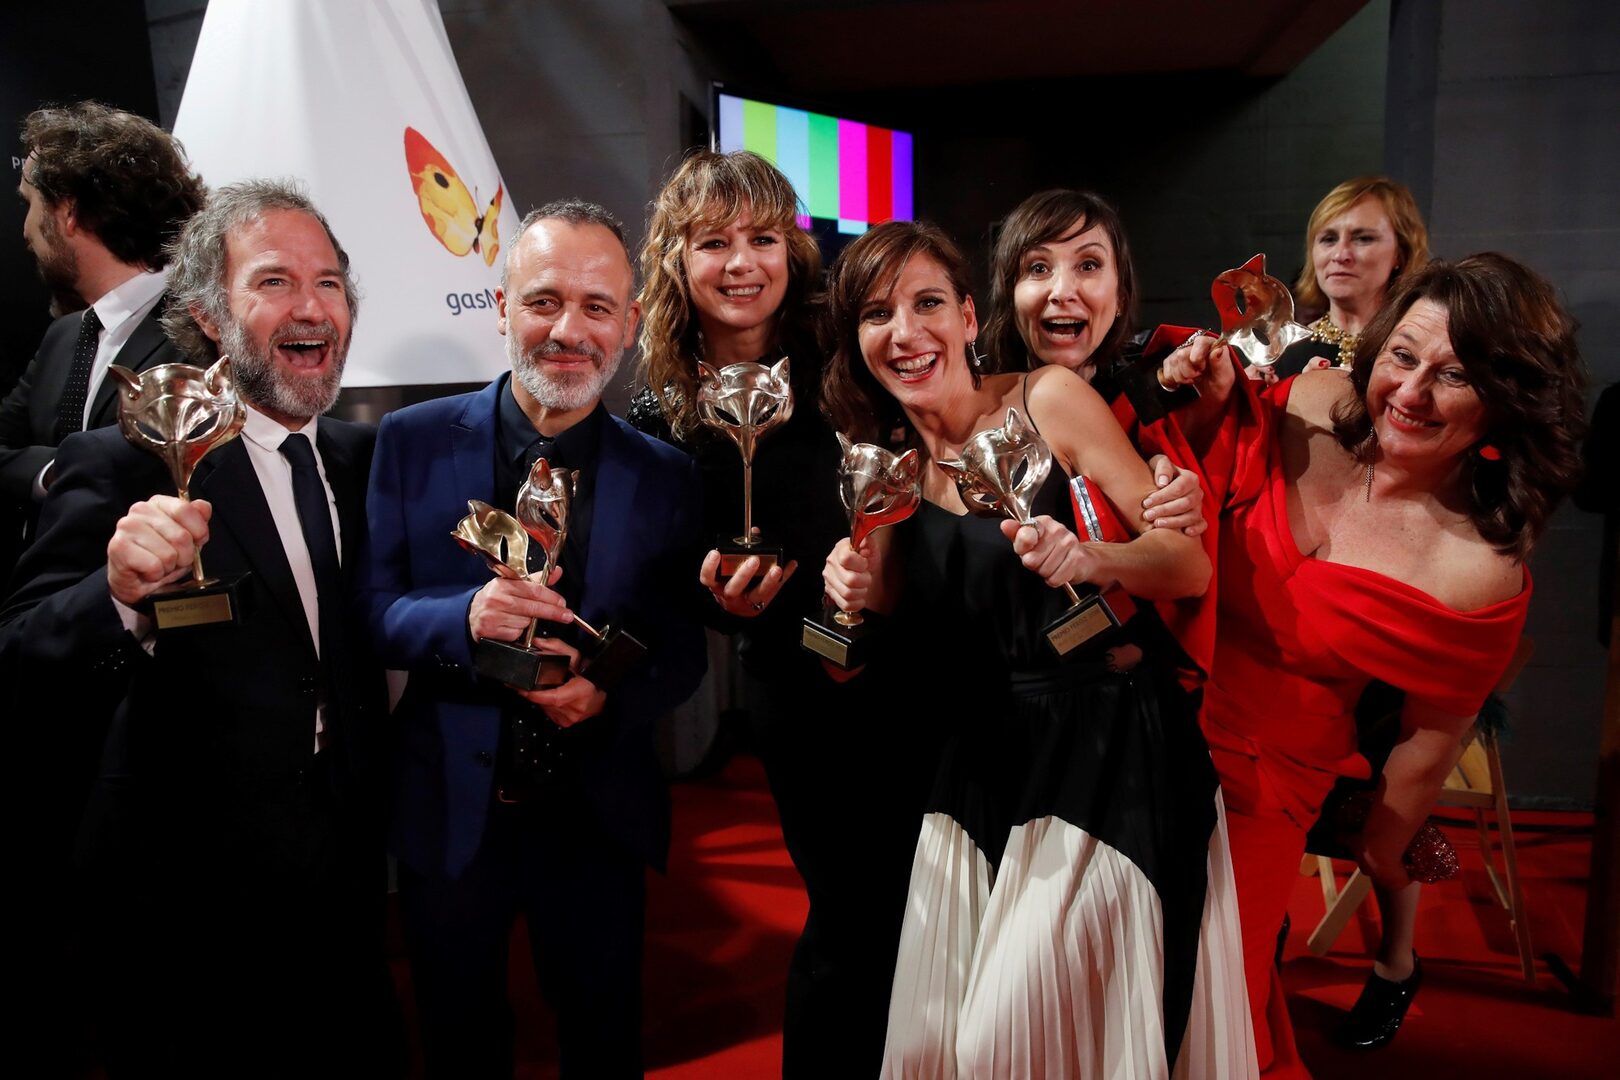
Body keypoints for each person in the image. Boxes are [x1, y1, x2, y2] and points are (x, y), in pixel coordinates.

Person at [821, 220, 1256, 1079]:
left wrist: (1091, 558)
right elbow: (873, 641)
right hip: (978, 763)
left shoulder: (1047, 399)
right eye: (876, 314)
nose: (905, 333)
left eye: (927, 304)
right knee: (937, 1047)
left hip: (1106, 745)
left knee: (1006, 1038)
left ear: (968, 317)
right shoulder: (889, 465)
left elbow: (1187, 564)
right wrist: (851, 591)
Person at [0, 179, 401, 1075]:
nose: (312, 307)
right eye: (274, 282)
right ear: (209, 318)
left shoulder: (364, 458)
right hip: (182, 911)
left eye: (330, 283)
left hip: (343, 888)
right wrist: (115, 593)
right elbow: (21, 653)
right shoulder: (119, 464)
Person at [1155, 252, 1587, 1076]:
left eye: (1454, 375)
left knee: (1202, 1002)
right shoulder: (1309, 401)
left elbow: (1428, 745)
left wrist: (1386, 853)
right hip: (1136, 716)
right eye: (1402, 356)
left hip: (1261, 781)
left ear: (1507, 402)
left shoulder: (1479, 573)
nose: (1411, 393)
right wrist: (1195, 394)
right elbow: (1181, 477)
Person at [364, 199, 706, 1078]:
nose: (568, 331)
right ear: (502, 306)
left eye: (597, 307)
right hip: (452, 807)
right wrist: (462, 617)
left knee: (603, 1043)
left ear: (630, 322)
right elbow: (372, 611)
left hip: (596, 814)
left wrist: (607, 697)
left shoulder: (668, 474)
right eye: (544, 301)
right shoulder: (408, 442)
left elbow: (682, 649)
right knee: (459, 1044)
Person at [628, 149, 932, 1075]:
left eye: (762, 238)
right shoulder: (660, 412)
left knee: (930, 908)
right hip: (800, 691)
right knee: (851, 911)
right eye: (712, 242)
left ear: (792, 251)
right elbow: (681, 581)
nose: (741, 263)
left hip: (917, 664)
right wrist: (719, 600)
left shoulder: (849, 355)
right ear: (676, 260)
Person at [1, 103, 205, 540]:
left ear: (69, 212)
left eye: (30, 204)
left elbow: (158, 476)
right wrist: (58, 471)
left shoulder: (204, 327)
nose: (25, 230)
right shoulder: (63, 336)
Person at [1275, 176, 1430, 376]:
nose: (1340, 255)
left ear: (1400, 253)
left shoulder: (1420, 350)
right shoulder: (1282, 353)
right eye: (1329, 239)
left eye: (1363, 238)